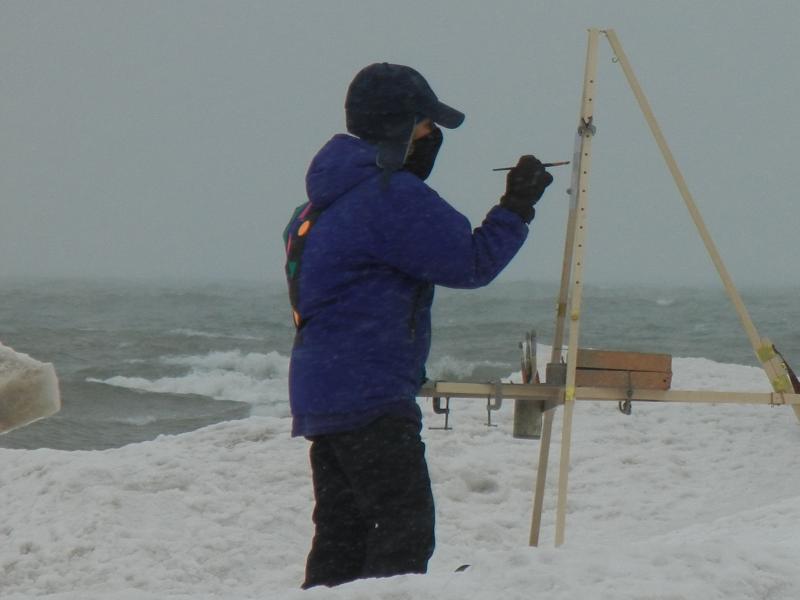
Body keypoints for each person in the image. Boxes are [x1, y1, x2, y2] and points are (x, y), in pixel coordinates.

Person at [283, 62, 553, 589]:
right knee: (402, 533)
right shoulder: (388, 196)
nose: (433, 139)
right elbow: (470, 263)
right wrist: (517, 206)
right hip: (371, 395)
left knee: (343, 537)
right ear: (401, 127)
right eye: (429, 127)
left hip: (321, 392)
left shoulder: (316, 205)